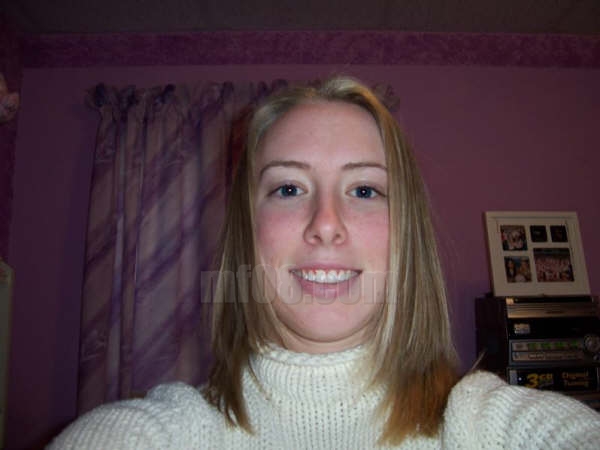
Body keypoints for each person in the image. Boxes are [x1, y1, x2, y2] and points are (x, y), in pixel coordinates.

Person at [49, 76, 600, 449]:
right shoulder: (165, 433)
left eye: (364, 190)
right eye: (289, 188)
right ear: (248, 235)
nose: (326, 223)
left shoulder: (486, 425)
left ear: (406, 235)